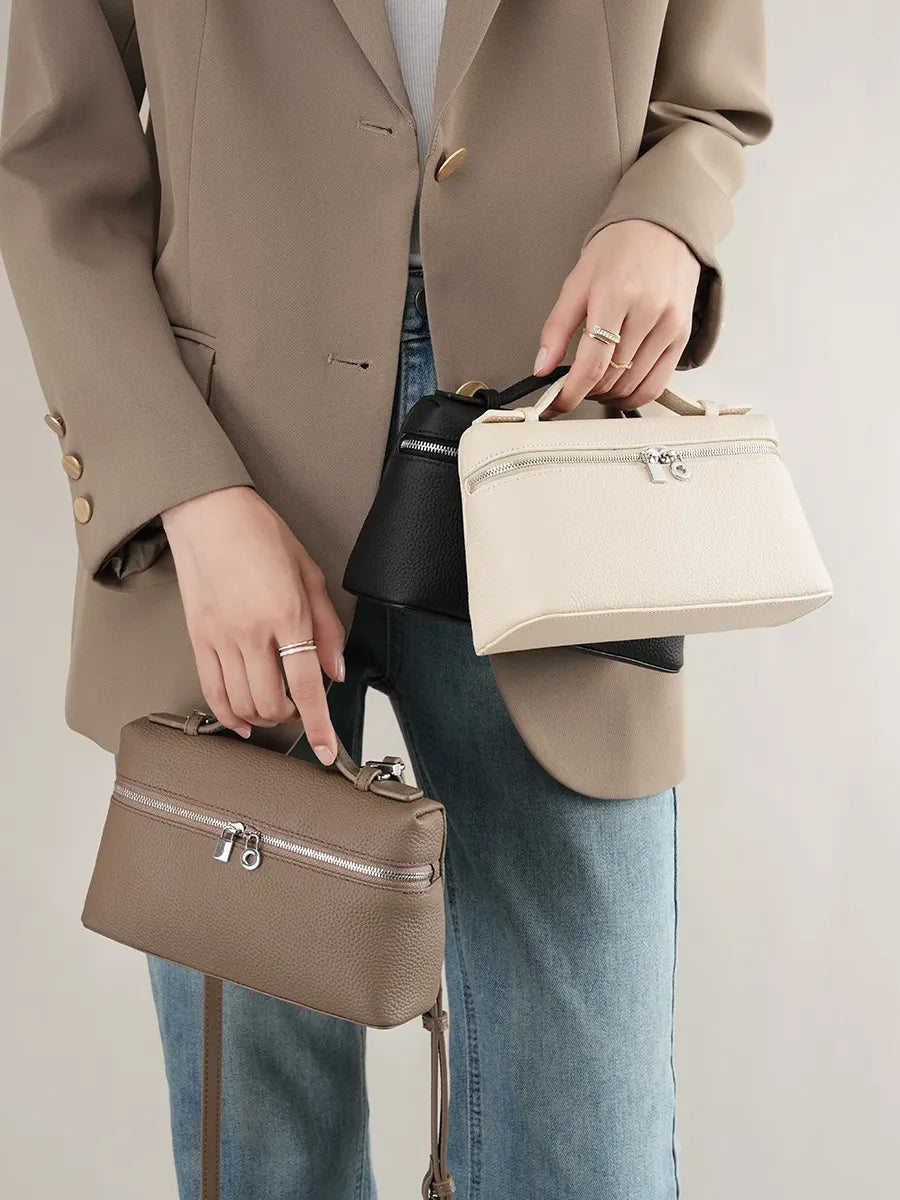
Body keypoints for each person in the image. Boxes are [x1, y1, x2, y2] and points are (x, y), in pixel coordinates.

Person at [0, 1, 771, 1195]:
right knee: (266, 1156)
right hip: (229, 477)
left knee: (591, 1153)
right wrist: (188, 497)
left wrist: (671, 219)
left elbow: (708, 96)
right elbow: (57, 164)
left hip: (557, 450)